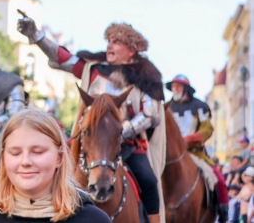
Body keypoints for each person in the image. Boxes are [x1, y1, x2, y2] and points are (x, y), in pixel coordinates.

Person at [18, 17, 165, 223]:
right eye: (109, 41)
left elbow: (151, 113)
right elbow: (63, 58)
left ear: (131, 49)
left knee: (148, 180)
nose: (109, 46)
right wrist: (36, 35)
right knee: (51, 165)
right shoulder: (94, 69)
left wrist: (121, 130)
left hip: (127, 144)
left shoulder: (144, 77)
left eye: (116, 42)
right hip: (88, 140)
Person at [0, 108, 110, 222]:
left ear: (59, 158)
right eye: (15, 153)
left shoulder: (94, 220)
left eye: (38, 152)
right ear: (4, 159)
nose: (25, 161)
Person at [166, 74, 228, 222]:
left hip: (195, 153)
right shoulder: (167, 108)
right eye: (173, 87)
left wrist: (187, 140)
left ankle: (223, 211)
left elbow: (207, 130)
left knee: (218, 180)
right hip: (171, 154)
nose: (175, 89)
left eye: (178, 86)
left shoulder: (200, 107)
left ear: (186, 89)